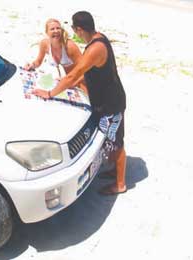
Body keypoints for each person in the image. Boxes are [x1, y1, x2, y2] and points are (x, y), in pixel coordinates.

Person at [32, 11, 127, 195]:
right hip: (108, 99)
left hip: (111, 103)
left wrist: (50, 93)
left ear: (79, 29)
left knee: (117, 142)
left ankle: (120, 184)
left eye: (74, 29)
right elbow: (83, 74)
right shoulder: (99, 39)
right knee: (111, 138)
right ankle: (115, 172)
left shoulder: (94, 49)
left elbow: (74, 74)